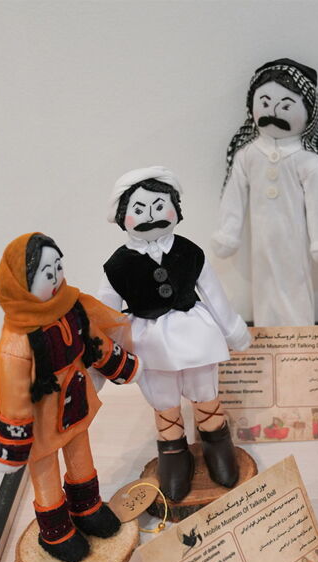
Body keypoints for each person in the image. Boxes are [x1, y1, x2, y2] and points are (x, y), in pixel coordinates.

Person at [97, 167, 251, 502]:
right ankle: (172, 446)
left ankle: (214, 436)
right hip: (150, 343)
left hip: (196, 334)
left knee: (205, 388)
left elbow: (214, 294)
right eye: (139, 209)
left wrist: (232, 329)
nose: (150, 216)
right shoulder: (116, 266)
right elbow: (105, 316)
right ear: (123, 216)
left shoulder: (190, 252)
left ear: (175, 209)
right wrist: (107, 356)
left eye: (159, 206)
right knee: (163, 397)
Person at [0, 233, 138, 562]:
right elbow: (12, 391)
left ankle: (87, 508)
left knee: (81, 454)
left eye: (59, 267)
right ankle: (55, 530)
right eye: (48, 273)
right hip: (42, 418)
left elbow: (95, 342)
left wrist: (122, 366)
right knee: (45, 470)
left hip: (75, 402)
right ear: (21, 284)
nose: (57, 278)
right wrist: (12, 447)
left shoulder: (72, 308)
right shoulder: (16, 340)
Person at [215, 58, 318, 326]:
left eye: (286, 106)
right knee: (263, 286)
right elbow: (234, 197)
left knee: (296, 282)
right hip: (260, 242)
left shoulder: (307, 160)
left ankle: (298, 337)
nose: (273, 112)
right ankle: (268, 335)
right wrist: (228, 233)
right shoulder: (248, 155)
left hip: (294, 240)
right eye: (265, 103)